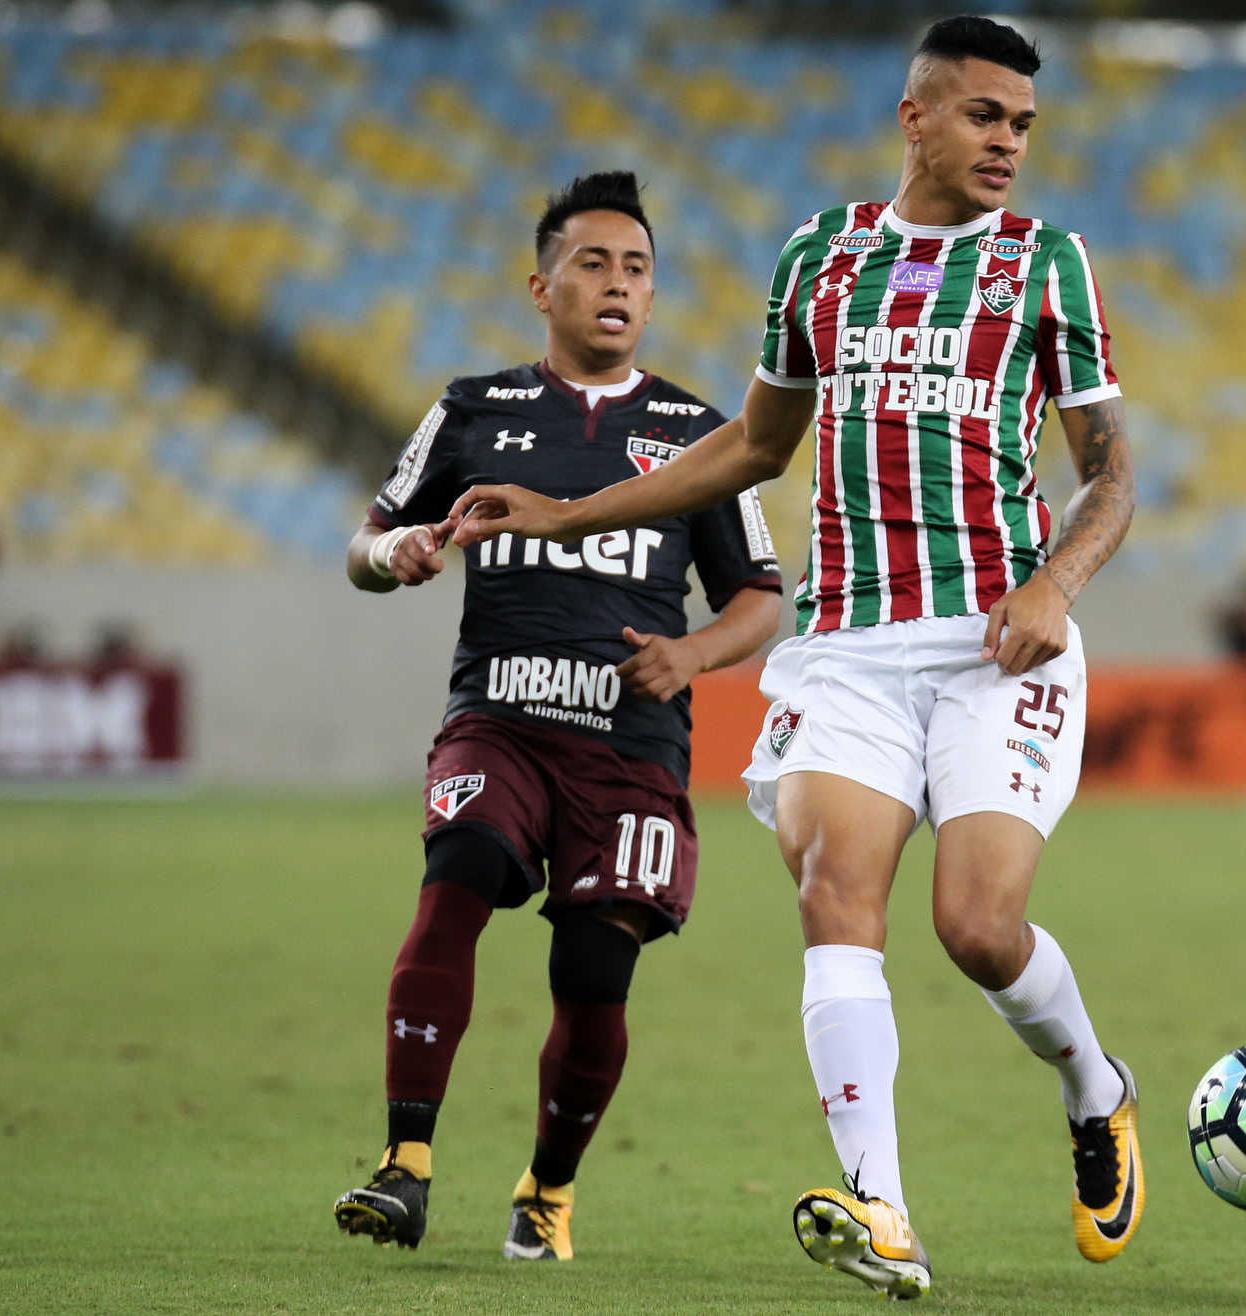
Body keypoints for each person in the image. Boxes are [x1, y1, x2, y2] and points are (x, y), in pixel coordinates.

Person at [448, 19, 1139, 1298]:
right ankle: (881, 1208)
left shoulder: (1050, 266)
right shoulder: (821, 259)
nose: (1008, 143)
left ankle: (1094, 1084)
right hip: (849, 646)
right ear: (915, 116)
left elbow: (1109, 476)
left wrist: (1057, 581)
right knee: (835, 891)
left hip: (998, 636)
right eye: (985, 116)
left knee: (979, 929)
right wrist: (570, 509)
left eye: (1023, 124)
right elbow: (753, 448)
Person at [331, 172, 783, 1261]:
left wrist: (691, 654)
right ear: (542, 286)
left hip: (629, 749)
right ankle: (405, 1165)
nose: (616, 284)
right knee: (456, 883)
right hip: (500, 718)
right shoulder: (473, 407)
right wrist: (395, 554)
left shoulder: (701, 432)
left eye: (635, 269)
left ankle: (548, 1186)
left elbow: (762, 596)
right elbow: (364, 541)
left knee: (592, 974)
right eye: (592, 263)